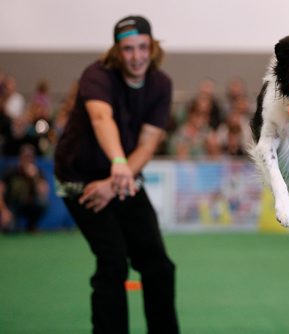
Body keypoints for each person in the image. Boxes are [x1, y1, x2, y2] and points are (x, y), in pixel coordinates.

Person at [54, 15, 179, 333]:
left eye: (142, 47)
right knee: (113, 262)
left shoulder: (160, 84)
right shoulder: (97, 75)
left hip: (120, 176)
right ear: (116, 51)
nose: (136, 56)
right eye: (127, 49)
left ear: (152, 47)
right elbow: (100, 118)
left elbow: (149, 142)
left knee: (159, 266)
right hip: (79, 180)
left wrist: (117, 178)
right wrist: (119, 163)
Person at [0, 144, 49, 233]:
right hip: (13, 205)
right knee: (9, 229)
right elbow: (0, 190)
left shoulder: (37, 172)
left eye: (30, 158)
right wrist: (4, 210)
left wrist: (35, 178)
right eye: (25, 157)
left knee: (43, 204)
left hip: (29, 205)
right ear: (20, 158)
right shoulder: (11, 172)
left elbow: (44, 193)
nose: (28, 160)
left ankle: (31, 226)